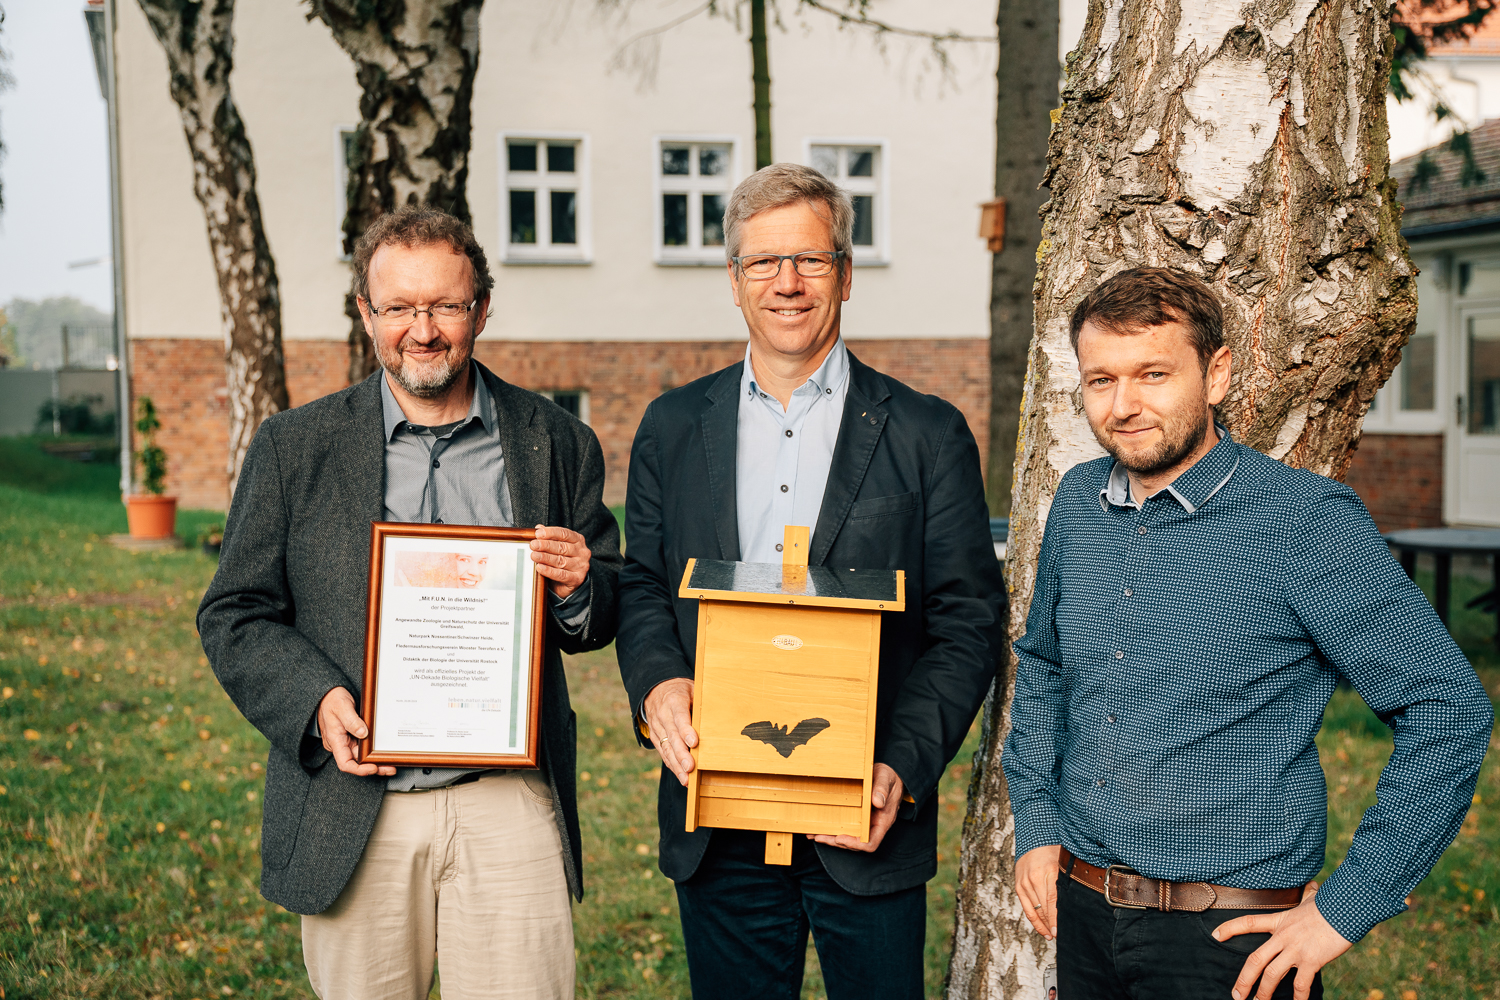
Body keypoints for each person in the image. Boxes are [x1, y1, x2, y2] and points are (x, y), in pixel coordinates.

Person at [1002, 266, 1494, 1000]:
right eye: (1101, 380)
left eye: (1153, 374)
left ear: (1218, 374)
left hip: (1229, 942)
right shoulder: (1078, 503)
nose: (1125, 405)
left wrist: (1343, 910)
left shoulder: (1304, 523)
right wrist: (1038, 822)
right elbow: (1042, 665)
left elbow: (1447, 710)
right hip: (1083, 914)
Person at [198, 206, 621, 1000]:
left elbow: (599, 607)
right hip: (355, 804)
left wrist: (577, 588)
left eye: (445, 306)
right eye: (399, 308)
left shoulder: (555, 439)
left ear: (481, 309)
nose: (422, 331)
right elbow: (235, 611)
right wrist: (317, 699)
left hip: (505, 800)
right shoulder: (296, 448)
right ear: (367, 314)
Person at [616, 163, 1006, 999]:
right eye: (763, 262)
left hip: (863, 815)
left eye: (811, 260)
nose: (787, 283)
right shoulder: (674, 427)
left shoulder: (927, 435)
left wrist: (902, 764)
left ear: (847, 274)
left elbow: (967, 620)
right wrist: (657, 683)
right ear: (733, 281)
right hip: (717, 818)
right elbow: (642, 582)